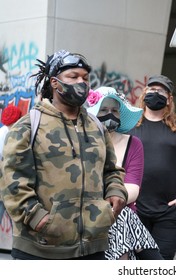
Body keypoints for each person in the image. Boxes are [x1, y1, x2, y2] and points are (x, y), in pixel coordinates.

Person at [0, 49, 128, 260]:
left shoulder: (97, 126)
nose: (81, 82)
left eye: (85, 78)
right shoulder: (29, 126)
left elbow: (111, 170)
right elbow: (12, 181)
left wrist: (116, 192)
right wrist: (39, 219)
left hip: (92, 247)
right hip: (40, 248)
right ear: (55, 83)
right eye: (73, 76)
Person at [86, 86, 163, 260]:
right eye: (103, 109)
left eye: (114, 110)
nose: (110, 114)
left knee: (121, 215)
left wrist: (109, 204)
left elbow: (133, 189)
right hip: (88, 216)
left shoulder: (134, 144)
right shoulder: (82, 142)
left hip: (123, 213)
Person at [129, 75, 176, 260]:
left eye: (161, 91)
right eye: (151, 89)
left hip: (169, 211)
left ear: (169, 99)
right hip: (135, 210)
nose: (155, 93)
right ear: (144, 94)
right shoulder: (130, 125)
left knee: (162, 264)